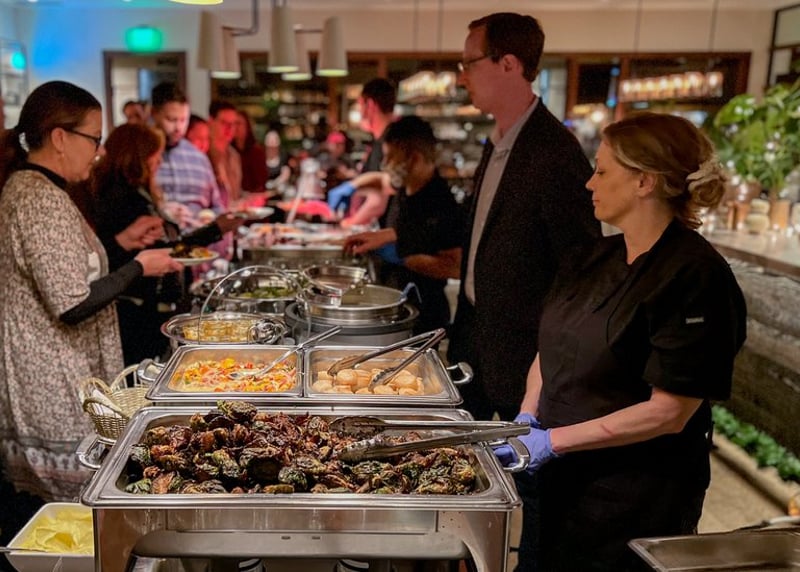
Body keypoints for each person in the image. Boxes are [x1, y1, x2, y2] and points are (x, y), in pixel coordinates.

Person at [494, 112, 747, 571]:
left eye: (602, 171)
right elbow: (549, 349)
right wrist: (527, 418)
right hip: (557, 486)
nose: (589, 183)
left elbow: (669, 412)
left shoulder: (695, 275)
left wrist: (554, 440)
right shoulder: (591, 258)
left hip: (632, 501)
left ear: (644, 182)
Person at [446, 14, 600, 571]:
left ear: (508, 64)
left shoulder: (554, 152)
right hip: (477, 336)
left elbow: (581, 268)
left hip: (526, 354)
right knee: (463, 473)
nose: (462, 75)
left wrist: (549, 356)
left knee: (526, 492)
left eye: (469, 61)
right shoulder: (499, 142)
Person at [0, 81, 181, 503]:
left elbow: (68, 270)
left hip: (53, 368)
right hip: (50, 375)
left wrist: (123, 243)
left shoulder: (41, 189)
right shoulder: (39, 198)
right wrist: (140, 266)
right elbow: (72, 302)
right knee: (71, 504)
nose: (99, 152)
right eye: (94, 139)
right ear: (60, 138)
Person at [91, 124, 242, 365]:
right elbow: (158, 252)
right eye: (156, 155)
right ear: (138, 156)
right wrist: (214, 230)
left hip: (148, 309)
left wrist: (216, 229)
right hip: (138, 313)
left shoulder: (136, 193)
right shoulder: (120, 198)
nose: (160, 161)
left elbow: (168, 248)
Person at [344, 116, 463, 334]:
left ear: (414, 159)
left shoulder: (440, 203)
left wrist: (403, 256)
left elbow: (454, 267)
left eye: (390, 157)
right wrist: (350, 187)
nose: (385, 164)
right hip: (393, 302)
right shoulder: (405, 186)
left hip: (422, 315)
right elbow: (380, 181)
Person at [150, 82, 226, 231]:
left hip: (197, 238)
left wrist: (207, 218)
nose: (178, 127)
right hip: (156, 239)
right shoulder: (142, 156)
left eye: (183, 120)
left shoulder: (199, 158)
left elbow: (217, 207)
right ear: (154, 114)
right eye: (171, 119)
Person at [327, 78, 398, 228]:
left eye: (360, 105)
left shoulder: (388, 142)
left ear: (370, 105)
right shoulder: (379, 141)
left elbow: (378, 201)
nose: (359, 112)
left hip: (391, 231)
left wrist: (347, 224)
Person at [208, 99, 242, 206]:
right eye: (224, 123)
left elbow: (235, 195)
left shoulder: (234, 155)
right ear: (211, 122)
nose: (230, 128)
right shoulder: (204, 153)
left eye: (233, 124)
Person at [233, 109, 269, 193]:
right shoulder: (229, 151)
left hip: (253, 196)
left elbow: (261, 183)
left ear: (247, 126)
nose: (235, 127)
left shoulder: (256, 152)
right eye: (233, 124)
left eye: (238, 123)